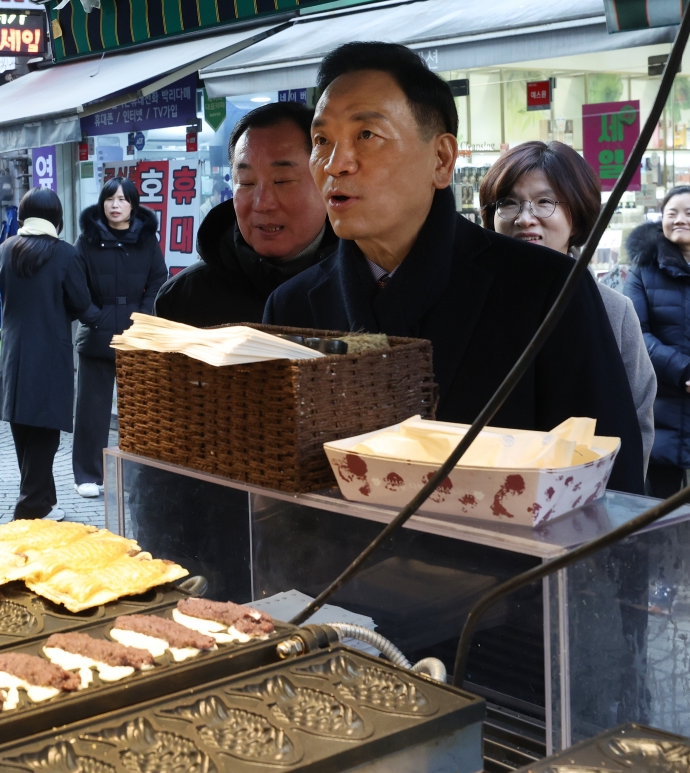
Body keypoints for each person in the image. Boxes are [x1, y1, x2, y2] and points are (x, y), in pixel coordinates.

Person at [265, 42, 643, 493]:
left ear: (441, 160)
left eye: (366, 135)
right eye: (322, 140)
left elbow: (607, 480)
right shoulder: (291, 307)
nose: (335, 164)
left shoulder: (545, 290)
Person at [480, 141, 655, 483]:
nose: (525, 217)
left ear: (576, 215)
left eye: (544, 202)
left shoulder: (613, 310)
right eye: (509, 203)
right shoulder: (473, 303)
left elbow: (636, 421)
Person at [155, 101, 338, 326]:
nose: (262, 204)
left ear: (326, 179)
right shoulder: (183, 298)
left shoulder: (368, 281)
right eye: (246, 182)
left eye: (282, 180)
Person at [0, 189, 99, 519]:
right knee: (44, 438)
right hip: (49, 356)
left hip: (12, 355)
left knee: (23, 434)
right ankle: (29, 511)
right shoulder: (65, 255)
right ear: (57, 219)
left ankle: (45, 502)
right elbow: (83, 306)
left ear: (23, 216)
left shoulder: (6, 249)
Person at [72, 178, 165, 497]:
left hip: (136, 333)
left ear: (133, 205)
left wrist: (144, 316)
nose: (116, 204)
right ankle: (87, 475)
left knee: (138, 408)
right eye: (110, 198)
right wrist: (94, 316)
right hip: (96, 333)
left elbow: (158, 280)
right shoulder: (86, 240)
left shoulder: (147, 240)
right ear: (102, 203)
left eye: (123, 199)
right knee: (91, 410)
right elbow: (75, 284)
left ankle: (136, 475)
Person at [624, 188, 690, 498]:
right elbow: (636, 332)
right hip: (662, 404)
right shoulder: (642, 271)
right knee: (661, 511)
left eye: (689, 213)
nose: (680, 220)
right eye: (672, 213)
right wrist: (683, 370)